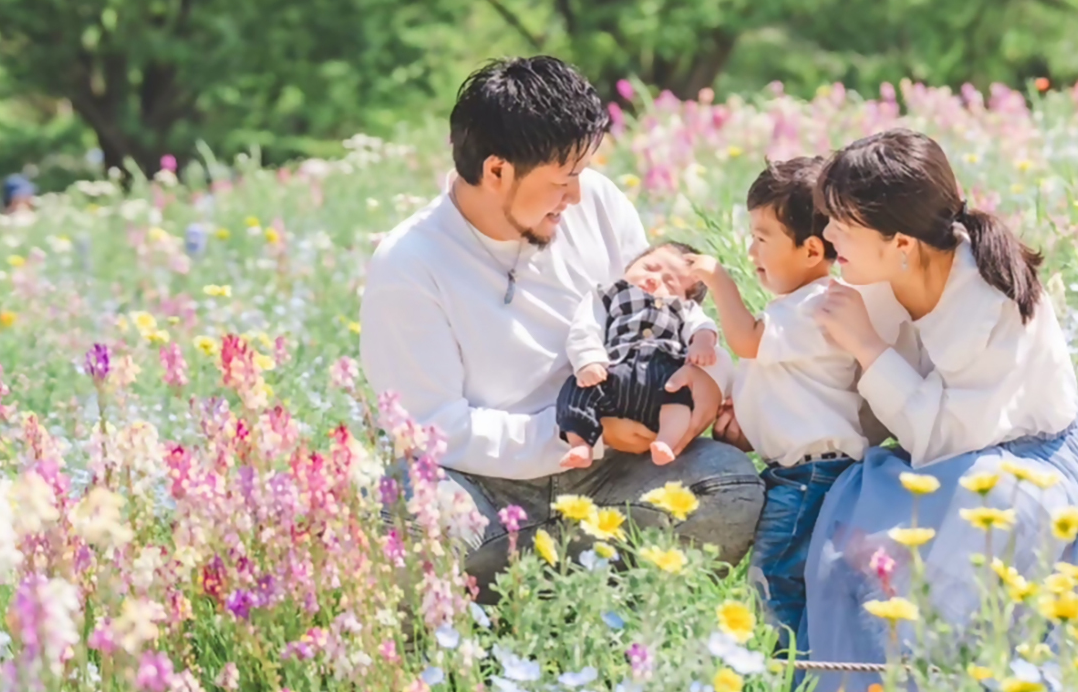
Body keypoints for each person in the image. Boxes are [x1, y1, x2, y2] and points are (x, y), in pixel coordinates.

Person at [359, 56, 763, 593]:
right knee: (405, 522)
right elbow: (434, 428)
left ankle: (597, 612)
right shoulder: (409, 263)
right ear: (496, 170)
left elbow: (661, 316)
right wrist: (585, 434)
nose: (575, 195)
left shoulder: (596, 203)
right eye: (562, 179)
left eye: (581, 174)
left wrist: (707, 388)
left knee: (732, 486)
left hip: (614, 476)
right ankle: (509, 615)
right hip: (485, 490)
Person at [801, 128, 1078, 692]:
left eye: (844, 221)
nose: (828, 233)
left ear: (901, 242)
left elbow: (947, 439)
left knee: (952, 561)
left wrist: (869, 347)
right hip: (950, 454)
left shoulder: (988, 300)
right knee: (849, 523)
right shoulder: (880, 271)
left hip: (1024, 464)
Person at [688, 157, 866, 652]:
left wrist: (718, 280)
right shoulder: (799, 307)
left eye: (762, 238)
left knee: (776, 582)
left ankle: (792, 682)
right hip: (810, 471)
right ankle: (807, 676)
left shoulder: (815, 304)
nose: (751, 251)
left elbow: (745, 343)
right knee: (795, 579)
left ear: (812, 249)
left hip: (809, 476)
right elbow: (785, 382)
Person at [559, 241, 720, 469]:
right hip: (613, 371)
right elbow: (585, 328)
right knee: (575, 392)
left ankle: (666, 440)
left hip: (662, 369)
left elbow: (702, 325)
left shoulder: (682, 308)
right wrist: (589, 359)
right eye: (649, 267)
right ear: (630, 266)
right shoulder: (608, 295)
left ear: (684, 298)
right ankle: (581, 444)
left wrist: (702, 343)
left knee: (679, 397)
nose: (655, 279)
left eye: (670, 283)